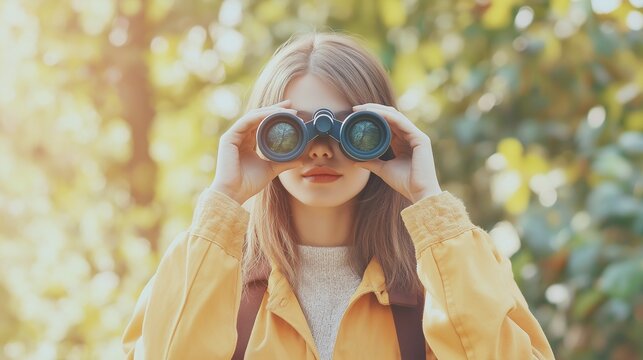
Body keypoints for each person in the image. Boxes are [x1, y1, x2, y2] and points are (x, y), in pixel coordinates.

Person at [121, 31, 555, 360]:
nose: (322, 148)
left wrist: (431, 206)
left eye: (355, 129)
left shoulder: (447, 270)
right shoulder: (208, 270)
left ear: (389, 133)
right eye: (293, 130)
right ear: (261, 136)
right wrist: (224, 201)